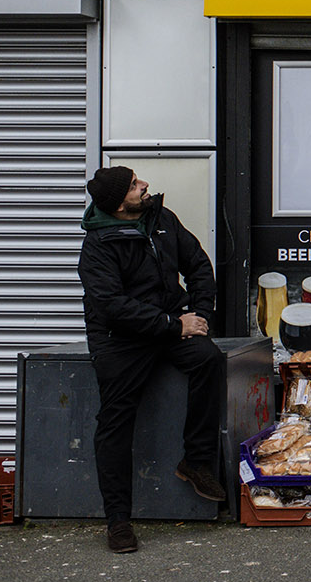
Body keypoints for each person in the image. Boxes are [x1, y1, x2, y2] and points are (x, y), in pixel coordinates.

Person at [78, 166, 225, 553]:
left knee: (208, 359)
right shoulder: (98, 245)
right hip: (121, 339)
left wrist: (201, 316)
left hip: (171, 324)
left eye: (138, 180)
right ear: (116, 203)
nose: (144, 185)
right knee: (115, 421)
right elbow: (112, 307)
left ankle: (197, 461)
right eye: (133, 185)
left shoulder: (161, 218)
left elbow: (197, 265)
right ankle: (118, 521)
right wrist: (173, 325)